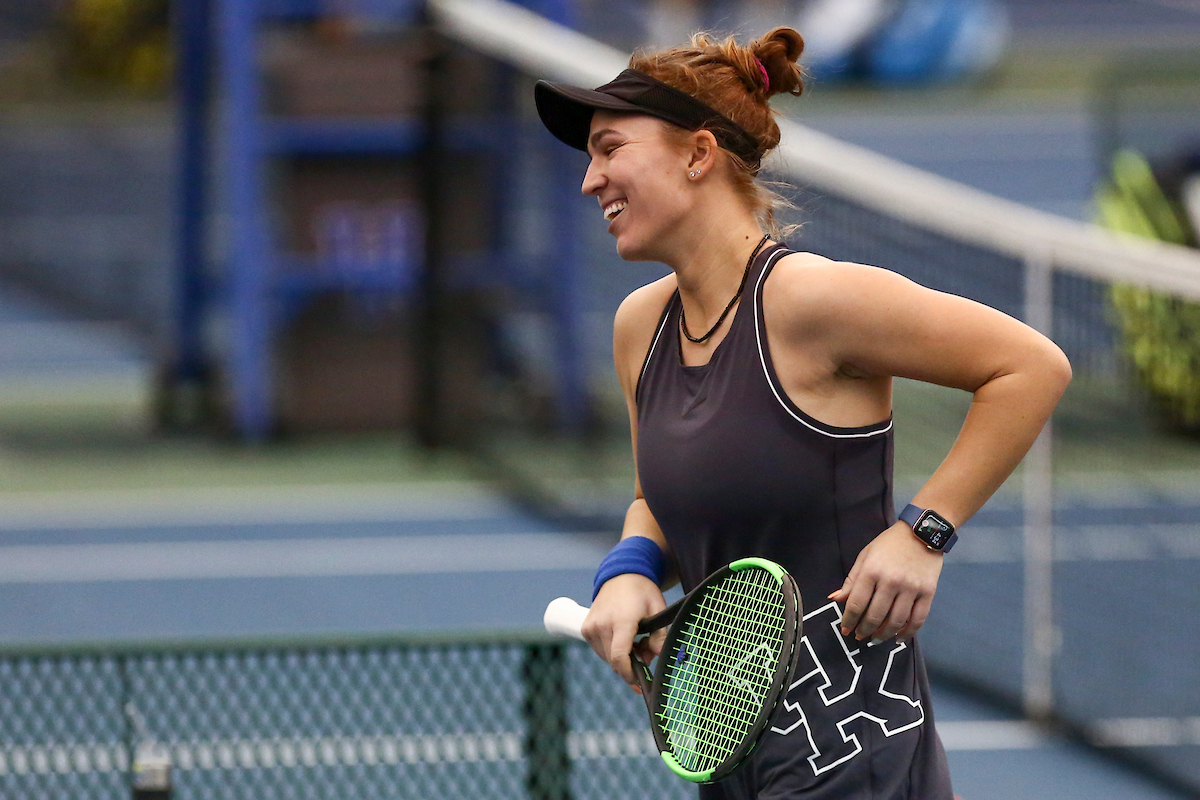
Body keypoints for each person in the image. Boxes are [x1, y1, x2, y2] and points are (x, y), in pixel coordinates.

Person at [534, 25, 1070, 800]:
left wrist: (924, 532)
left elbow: (1030, 366)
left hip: (854, 747)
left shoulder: (813, 300)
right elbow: (660, 496)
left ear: (697, 154)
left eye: (611, 148)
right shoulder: (638, 329)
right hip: (726, 737)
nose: (591, 179)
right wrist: (629, 571)